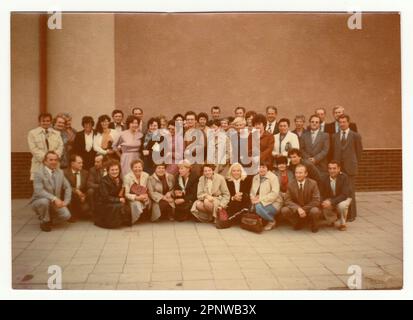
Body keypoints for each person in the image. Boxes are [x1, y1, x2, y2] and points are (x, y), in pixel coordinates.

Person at [30, 151, 72, 232]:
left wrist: (66, 202)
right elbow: (39, 191)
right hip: (39, 200)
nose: (54, 162)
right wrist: (54, 198)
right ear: (45, 161)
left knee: (66, 216)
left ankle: (50, 216)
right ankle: (44, 221)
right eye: (51, 160)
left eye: (56, 160)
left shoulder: (60, 172)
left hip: (54, 203)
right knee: (44, 202)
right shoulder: (38, 173)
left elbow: (68, 187)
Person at [332, 114, 363, 221]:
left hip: (350, 168)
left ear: (348, 122)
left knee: (350, 191)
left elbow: (359, 153)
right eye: (340, 122)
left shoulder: (355, 136)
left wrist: (353, 164)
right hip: (338, 168)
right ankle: (340, 214)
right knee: (339, 191)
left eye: (344, 122)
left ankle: (351, 215)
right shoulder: (335, 136)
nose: (342, 124)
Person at [281, 164, 322, 233]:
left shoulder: (313, 183)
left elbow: (316, 200)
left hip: (309, 208)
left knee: (315, 211)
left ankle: (313, 224)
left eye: (300, 173)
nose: (298, 175)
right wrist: (298, 208)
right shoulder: (291, 184)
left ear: (306, 174)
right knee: (284, 210)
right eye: (296, 173)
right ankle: (297, 222)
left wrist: (303, 209)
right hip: (297, 209)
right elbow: (287, 200)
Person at [95, 160, 130, 229]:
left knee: (126, 204)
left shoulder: (119, 179)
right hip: (104, 203)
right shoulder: (103, 181)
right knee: (118, 205)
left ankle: (121, 221)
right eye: (112, 170)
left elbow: (119, 193)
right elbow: (105, 197)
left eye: (116, 169)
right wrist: (119, 199)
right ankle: (111, 223)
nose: (115, 172)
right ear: (108, 171)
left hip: (113, 200)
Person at [28, 113, 63, 180]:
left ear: (50, 122)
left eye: (47, 121)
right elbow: (33, 149)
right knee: (39, 188)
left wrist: (53, 159)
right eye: (43, 121)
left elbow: (60, 147)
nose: (45, 123)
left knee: (53, 188)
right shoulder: (32, 133)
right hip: (39, 165)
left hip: (54, 166)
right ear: (39, 122)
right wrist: (47, 160)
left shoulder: (57, 134)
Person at [250, 162, 282, 231]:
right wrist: (252, 198)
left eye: (263, 167)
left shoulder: (273, 177)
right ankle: (263, 219)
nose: (261, 169)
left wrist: (260, 200)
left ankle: (271, 221)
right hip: (258, 201)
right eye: (259, 167)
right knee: (251, 206)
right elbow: (252, 191)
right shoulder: (255, 177)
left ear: (267, 168)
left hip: (274, 203)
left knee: (258, 207)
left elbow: (274, 193)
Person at [320, 161, 352, 231]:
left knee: (342, 206)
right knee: (325, 203)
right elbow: (321, 193)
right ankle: (331, 220)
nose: (332, 171)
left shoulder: (344, 177)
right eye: (330, 168)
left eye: (334, 168)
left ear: (339, 169)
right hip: (332, 197)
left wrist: (331, 202)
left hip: (344, 197)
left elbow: (344, 194)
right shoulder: (324, 178)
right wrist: (323, 201)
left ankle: (342, 223)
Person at [64, 154, 90, 221]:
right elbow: (64, 187)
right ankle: (71, 214)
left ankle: (81, 212)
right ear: (72, 164)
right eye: (79, 163)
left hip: (81, 197)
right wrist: (75, 190)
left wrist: (84, 195)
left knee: (85, 209)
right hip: (70, 196)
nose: (82, 165)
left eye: (82, 162)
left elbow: (87, 187)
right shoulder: (65, 173)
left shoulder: (85, 173)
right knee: (71, 192)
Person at [124, 159, 151, 224]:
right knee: (136, 204)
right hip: (132, 197)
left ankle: (145, 217)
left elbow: (148, 188)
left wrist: (146, 195)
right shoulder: (127, 177)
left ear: (142, 167)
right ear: (132, 168)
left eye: (139, 167)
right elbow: (126, 194)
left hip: (143, 195)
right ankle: (134, 219)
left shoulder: (146, 175)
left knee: (149, 201)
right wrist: (137, 198)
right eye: (135, 167)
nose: (137, 169)